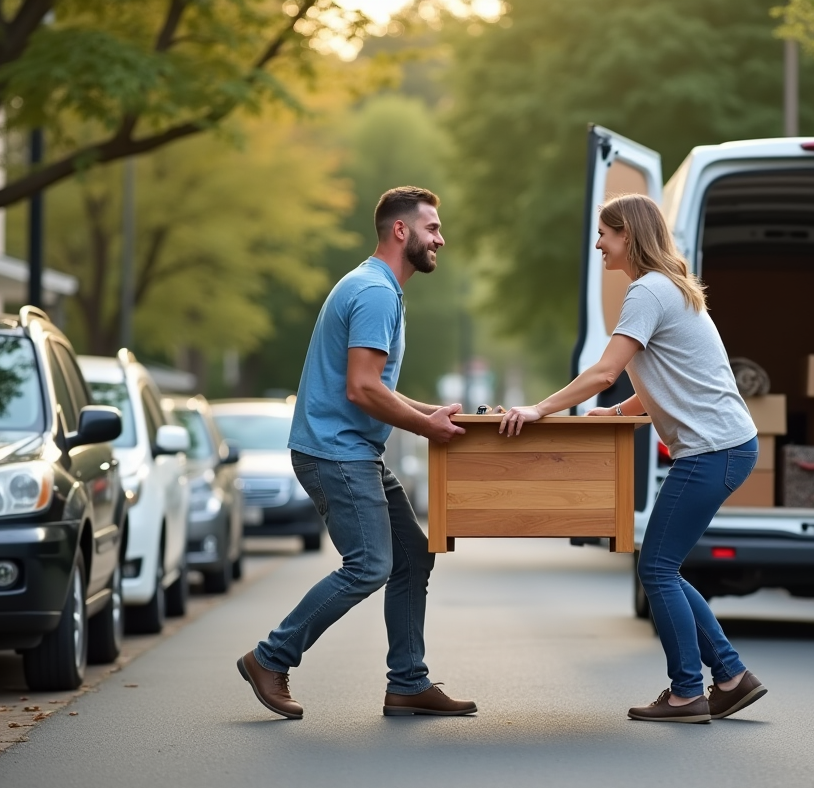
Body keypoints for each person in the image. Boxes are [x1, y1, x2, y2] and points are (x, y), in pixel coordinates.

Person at [499, 193, 766, 724]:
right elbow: (668, 374)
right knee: (664, 566)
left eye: (605, 233)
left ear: (628, 234)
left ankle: (689, 692)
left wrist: (541, 408)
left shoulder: (648, 291)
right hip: (727, 446)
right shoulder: (671, 289)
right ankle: (732, 677)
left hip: (713, 450)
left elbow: (603, 370)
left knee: (657, 567)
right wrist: (619, 411)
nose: (598, 244)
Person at [238, 186, 477, 720]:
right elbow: (362, 389)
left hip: (351, 451)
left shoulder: (378, 288)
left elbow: (377, 388)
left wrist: (429, 412)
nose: (441, 238)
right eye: (432, 228)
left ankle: (408, 683)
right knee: (370, 564)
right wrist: (426, 428)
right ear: (401, 231)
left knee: (412, 555)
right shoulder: (373, 292)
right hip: (336, 452)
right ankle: (270, 658)